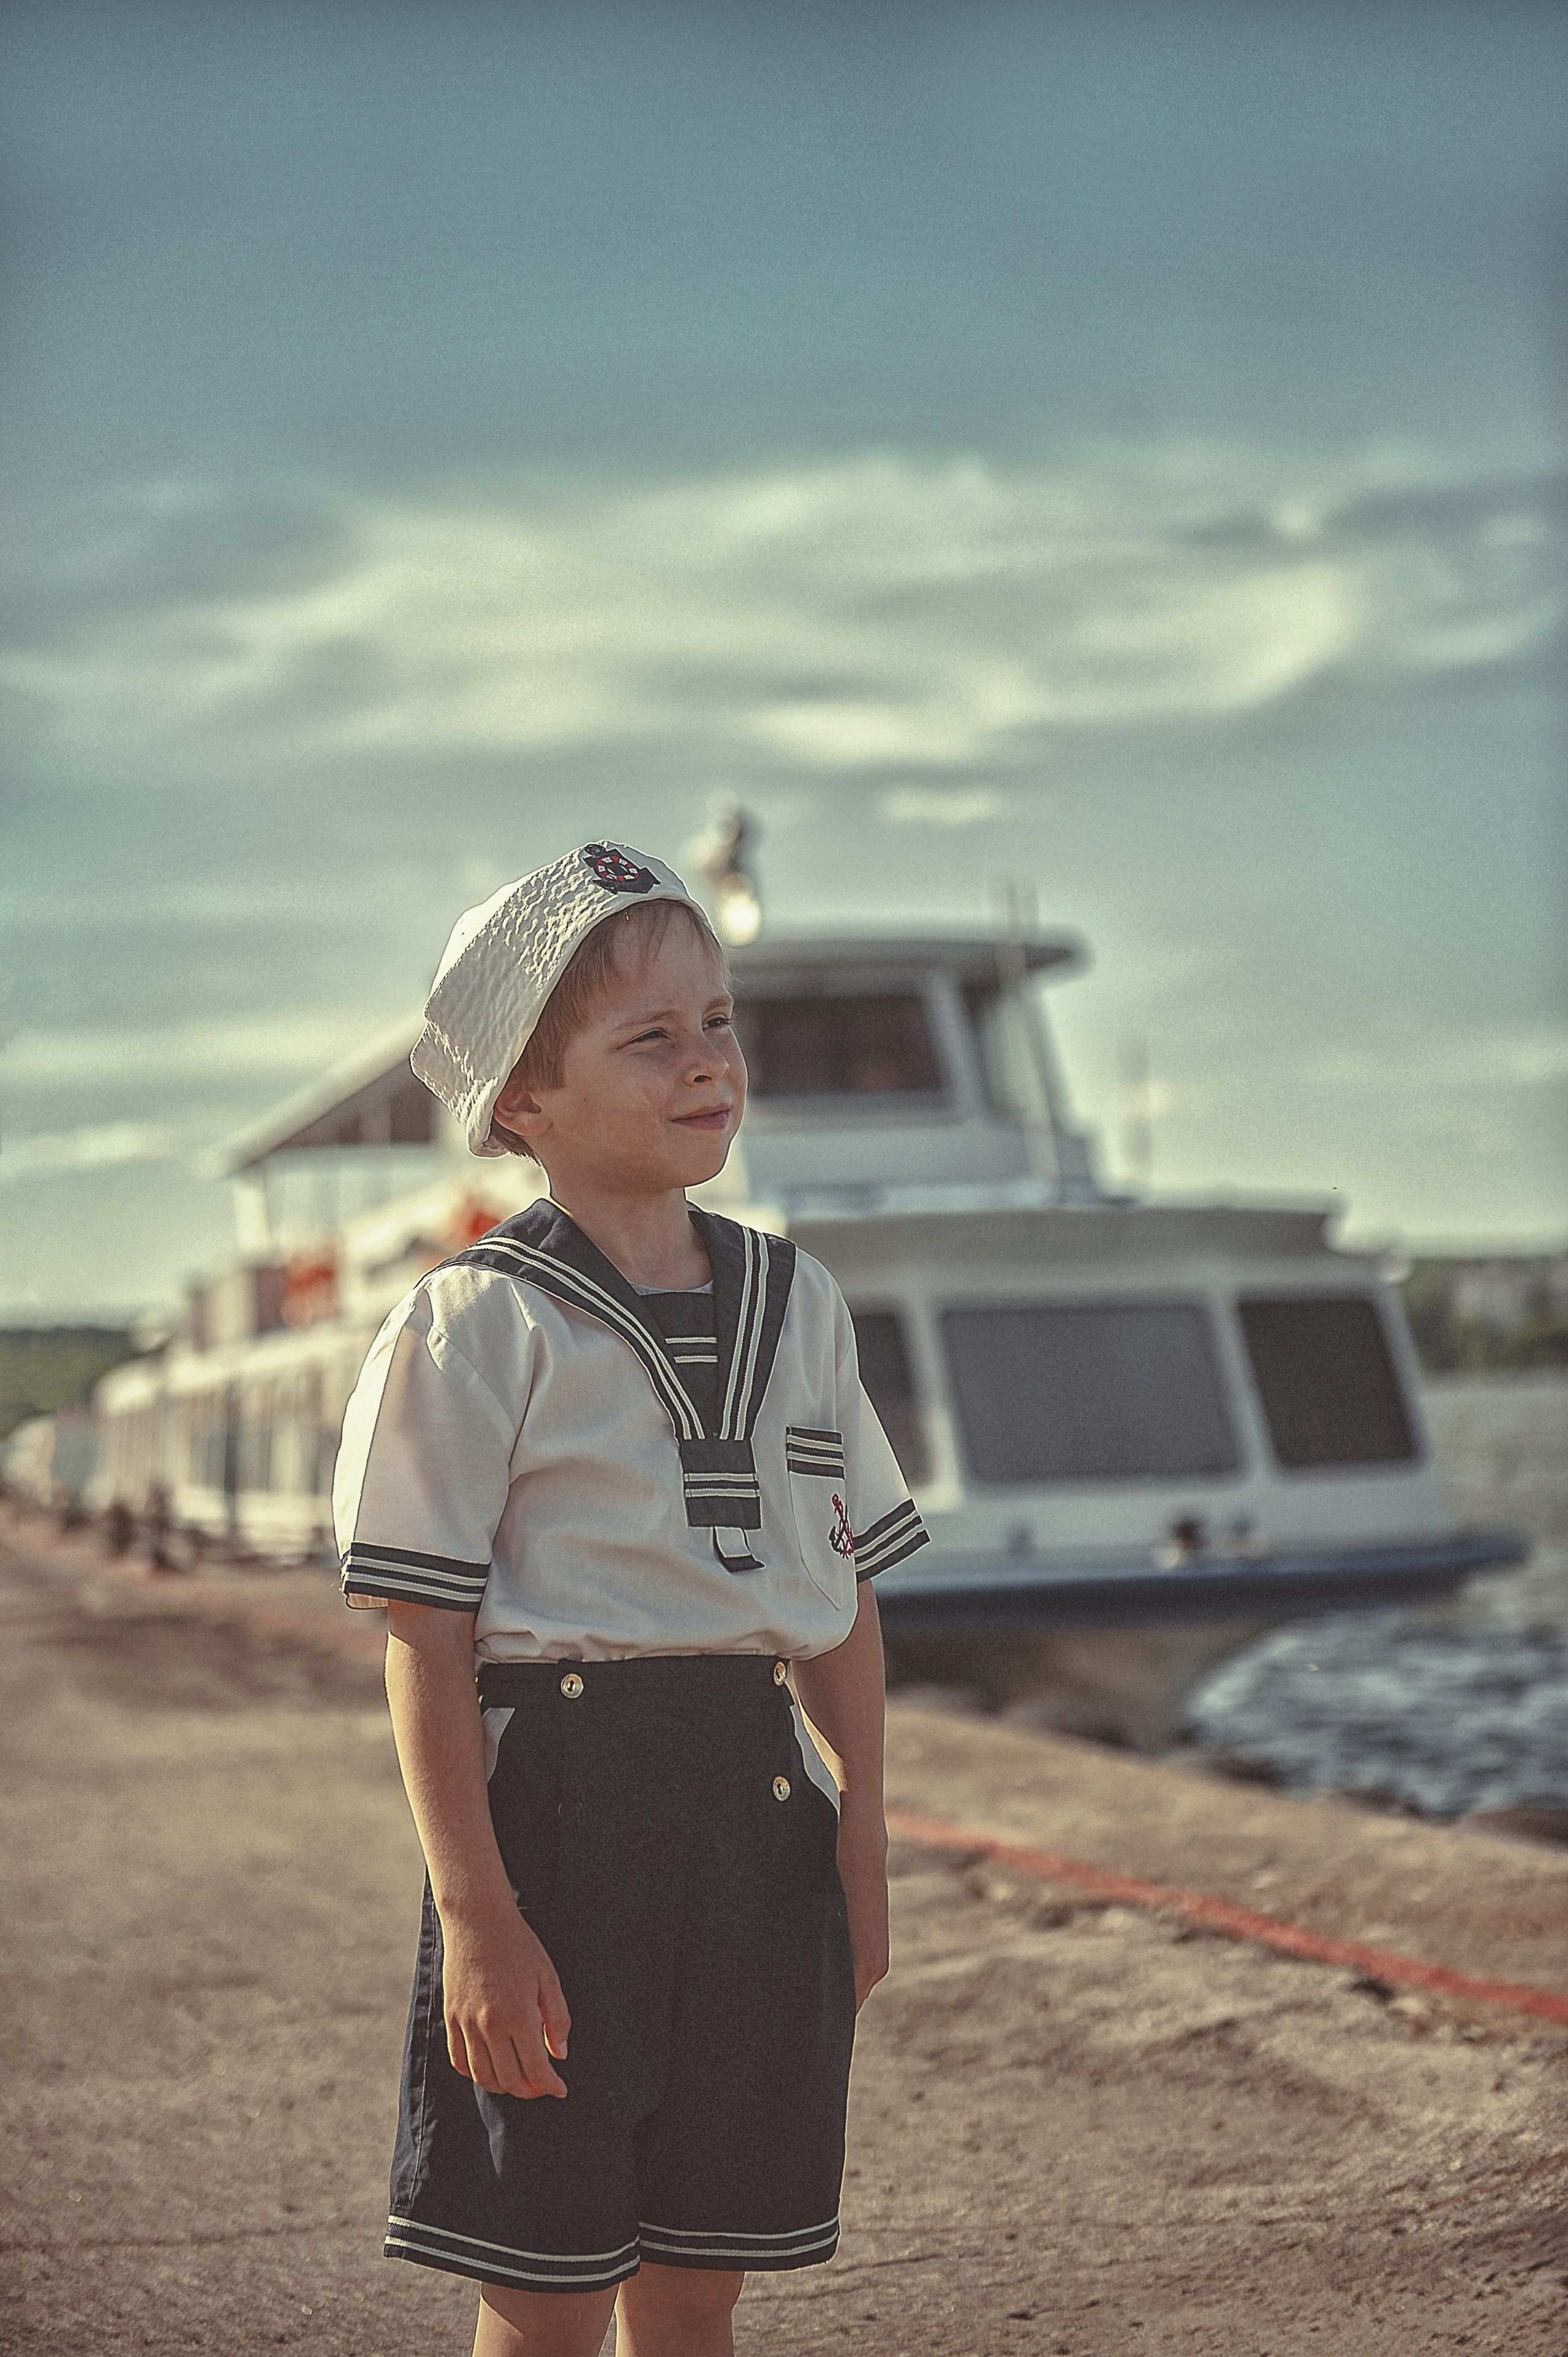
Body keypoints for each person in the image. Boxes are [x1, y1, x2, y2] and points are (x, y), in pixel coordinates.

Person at [333, 841, 929, 2357]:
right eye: (648, 1038)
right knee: (543, 2286)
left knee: (701, 2274)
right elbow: (427, 1632)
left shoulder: (801, 1302)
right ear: (521, 1104)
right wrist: (475, 1912)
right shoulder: (473, 1321)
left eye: (717, 1024)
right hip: (559, 1817)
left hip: (755, 1815)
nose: (704, 1064)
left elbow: (840, 1595)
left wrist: (857, 1827)